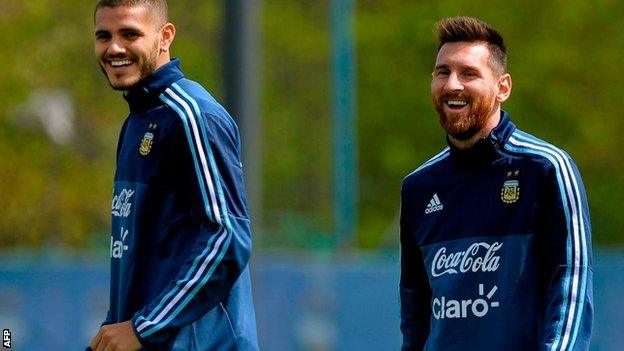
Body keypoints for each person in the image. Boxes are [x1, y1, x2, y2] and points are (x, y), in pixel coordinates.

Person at [399, 16, 593, 351]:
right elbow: (415, 316)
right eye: (443, 72)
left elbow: (571, 287)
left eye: (469, 73)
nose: (452, 85)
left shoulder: (545, 168)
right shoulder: (418, 186)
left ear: (502, 87)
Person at [89, 0, 259, 350]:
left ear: (165, 36)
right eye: (104, 36)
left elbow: (228, 237)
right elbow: (139, 256)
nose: (114, 48)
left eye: (130, 34)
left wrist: (143, 327)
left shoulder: (192, 115)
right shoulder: (137, 122)